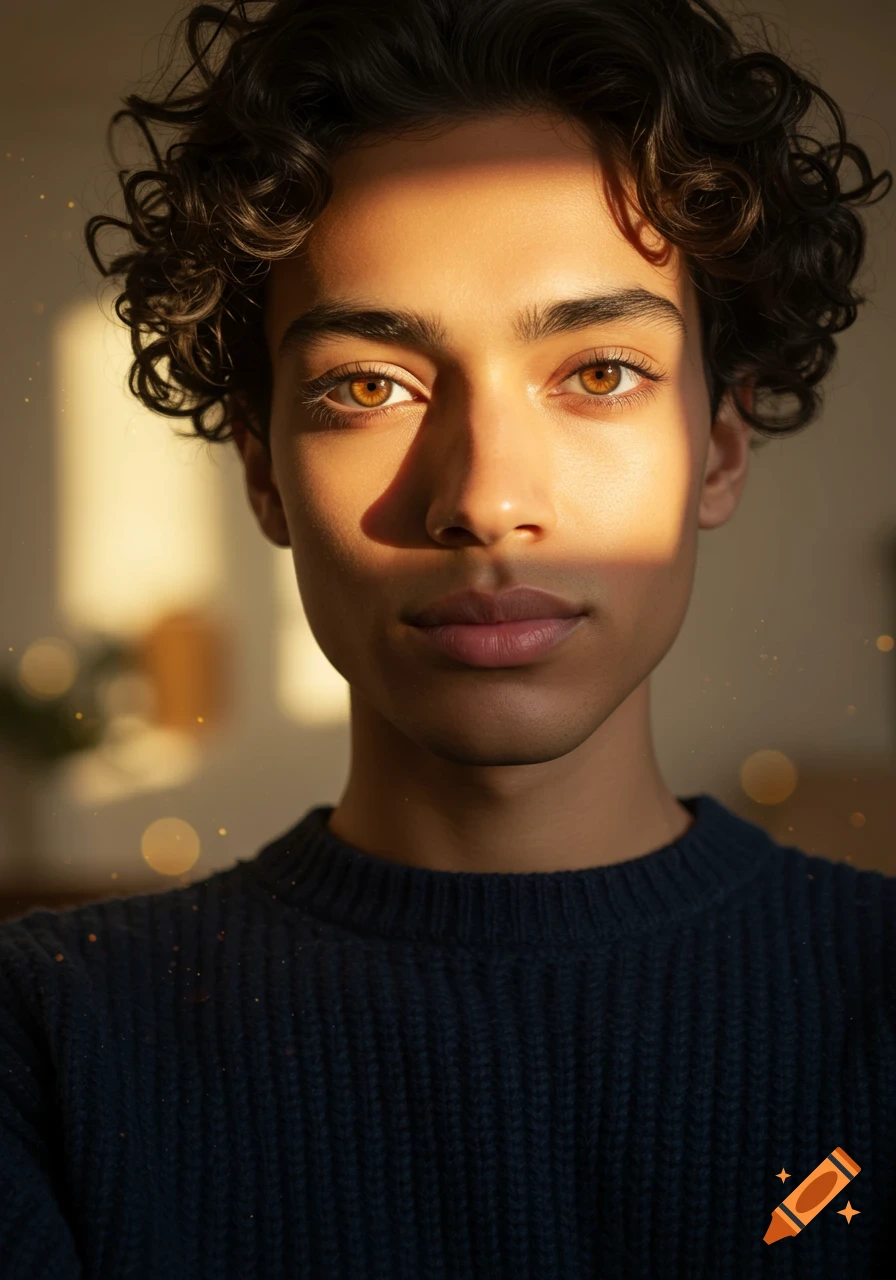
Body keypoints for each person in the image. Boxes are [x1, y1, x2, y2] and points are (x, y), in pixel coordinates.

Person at [2, 1, 893, 1276]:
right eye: (368, 385)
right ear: (261, 471)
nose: (480, 495)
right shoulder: (47, 1045)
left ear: (719, 444)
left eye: (598, 373)